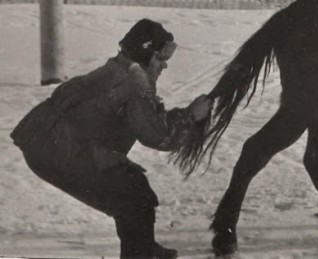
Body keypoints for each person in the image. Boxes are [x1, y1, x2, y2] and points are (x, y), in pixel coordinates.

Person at [11, 19, 211, 259]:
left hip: (44, 142)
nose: (164, 66)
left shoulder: (121, 67)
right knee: (134, 192)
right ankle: (141, 252)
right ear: (146, 55)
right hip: (58, 149)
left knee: (127, 191)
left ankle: (142, 246)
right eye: (160, 58)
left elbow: (145, 119)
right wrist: (191, 116)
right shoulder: (135, 81)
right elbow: (159, 137)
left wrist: (180, 115)